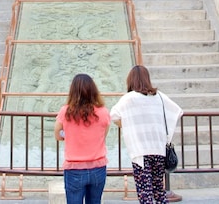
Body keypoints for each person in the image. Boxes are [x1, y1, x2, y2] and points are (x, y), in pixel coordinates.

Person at [109, 65, 183, 204]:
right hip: (158, 149)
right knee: (159, 191)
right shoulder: (159, 96)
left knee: (145, 193)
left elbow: (113, 116)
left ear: (131, 80)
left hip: (140, 151)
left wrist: (130, 125)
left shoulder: (129, 98)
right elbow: (177, 111)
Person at [54, 74, 110, 204]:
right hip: (98, 166)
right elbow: (103, 135)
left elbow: (58, 134)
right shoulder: (103, 111)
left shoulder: (66, 111)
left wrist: (70, 135)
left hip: (74, 168)